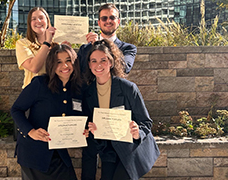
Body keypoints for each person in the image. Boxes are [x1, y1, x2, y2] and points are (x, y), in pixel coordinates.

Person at [81, 39, 160, 180]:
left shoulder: (128, 88)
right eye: (93, 61)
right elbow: (89, 125)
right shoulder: (88, 93)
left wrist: (137, 133)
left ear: (111, 62)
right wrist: (91, 129)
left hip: (130, 149)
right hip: (107, 151)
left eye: (103, 60)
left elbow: (145, 122)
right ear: (89, 64)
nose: (98, 65)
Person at [11, 44, 86, 180]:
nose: (65, 66)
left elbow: (78, 115)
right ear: (51, 64)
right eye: (59, 62)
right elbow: (16, 109)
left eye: (68, 60)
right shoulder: (39, 84)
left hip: (59, 152)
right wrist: (30, 131)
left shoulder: (77, 89)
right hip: (34, 152)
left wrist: (84, 129)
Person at [78, 3, 137, 75]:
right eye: (104, 18)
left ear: (118, 22)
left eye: (112, 18)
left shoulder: (128, 48)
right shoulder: (84, 49)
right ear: (99, 23)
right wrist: (66, 49)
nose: (108, 21)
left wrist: (100, 46)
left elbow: (124, 68)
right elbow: (77, 72)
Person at [16, 7, 56, 89]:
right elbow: (34, 67)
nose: (38, 21)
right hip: (33, 93)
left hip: (54, 91)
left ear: (47, 21)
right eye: (33, 19)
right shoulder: (22, 44)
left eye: (41, 18)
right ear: (29, 23)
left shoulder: (58, 44)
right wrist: (47, 43)